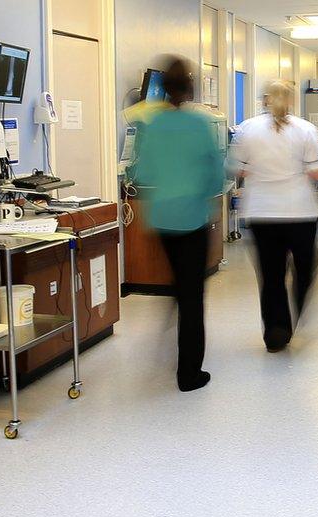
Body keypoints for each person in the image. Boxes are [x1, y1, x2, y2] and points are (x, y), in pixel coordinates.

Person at [127, 57, 225, 392]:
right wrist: (206, 194)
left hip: (163, 218)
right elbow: (215, 174)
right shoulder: (198, 125)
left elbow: (141, 172)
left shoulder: (151, 125)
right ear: (190, 87)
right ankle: (189, 375)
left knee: (180, 283)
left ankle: (171, 329)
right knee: (192, 296)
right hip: (191, 218)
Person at [230, 80, 318, 352]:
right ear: (291, 100)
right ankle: (294, 313)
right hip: (301, 214)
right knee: (305, 271)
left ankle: (276, 330)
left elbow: (235, 167)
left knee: (271, 276)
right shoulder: (306, 130)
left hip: (261, 214)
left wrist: (260, 170)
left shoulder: (247, 129)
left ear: (265, 99)